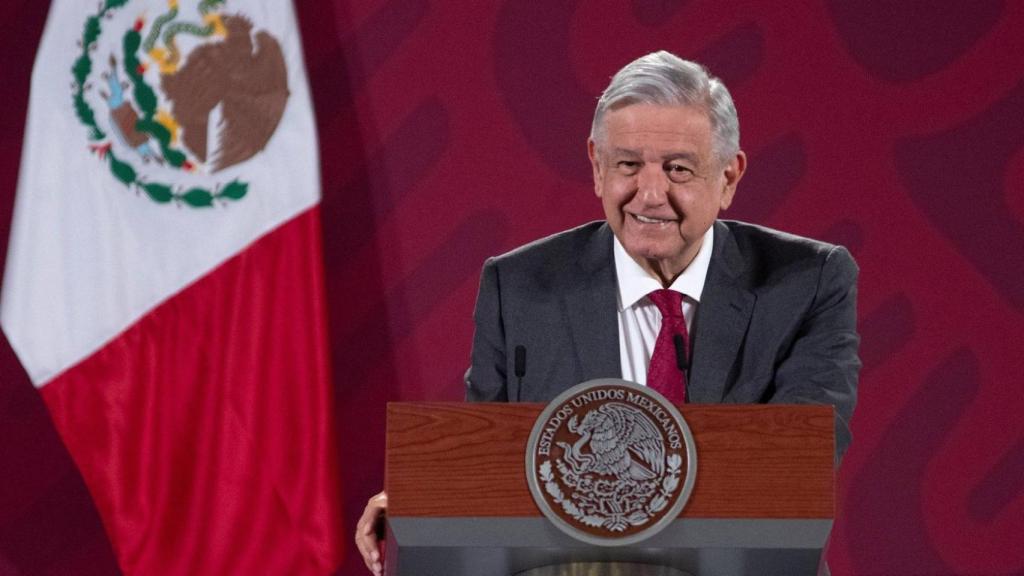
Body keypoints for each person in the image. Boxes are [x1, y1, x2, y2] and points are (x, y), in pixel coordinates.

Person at [355, 50, 859, 575]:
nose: (650, 193)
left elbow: (797, 462)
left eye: (678, 169)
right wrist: (423, 504)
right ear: (597, 167)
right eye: (628, 165)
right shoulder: (521, 286)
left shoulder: (807, 281)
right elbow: (493, 463)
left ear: (729, 177)